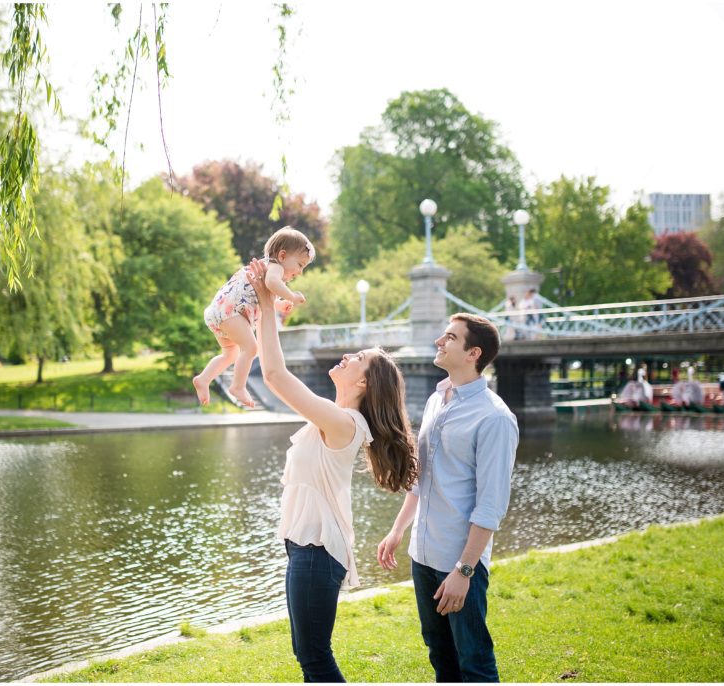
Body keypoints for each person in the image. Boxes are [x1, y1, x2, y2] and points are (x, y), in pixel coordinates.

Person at [246, 258, 418, 683]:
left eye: (357, 357)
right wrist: (265, 307)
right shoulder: (335, 417)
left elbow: (273, 374)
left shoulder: (344, 424)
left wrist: (268, 304)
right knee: (309, 655)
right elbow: (274, 371)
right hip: (305, 549)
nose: (347, 355)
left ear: (364, 383)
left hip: (317, 552)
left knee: (314, 658)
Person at [376, 313, 519, 683]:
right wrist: (397, 531)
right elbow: (422, 479)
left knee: (474, 661)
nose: (440, 341)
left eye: (450, 337)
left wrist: (464, 571)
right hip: (422, 556)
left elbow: (490, 506)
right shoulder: (436, 400)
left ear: (474, 352)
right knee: (440, 655)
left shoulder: (494, 418)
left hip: (459, 562)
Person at [193, 227, 313, 408]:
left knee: (230, 354)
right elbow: (272, 283)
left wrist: (278, 304)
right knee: (250, 348)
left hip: (221, 312)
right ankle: (237, 386)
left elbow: (260, 296)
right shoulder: (274, 268)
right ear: (282, 256)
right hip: (230, 313)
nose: (300, 272)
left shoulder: (265, 270)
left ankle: (203, 379)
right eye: (300, 265)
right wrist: (292, 296)